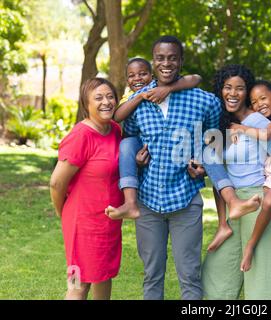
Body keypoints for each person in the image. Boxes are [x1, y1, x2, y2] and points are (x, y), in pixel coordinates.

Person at [122, 36, 259, 300]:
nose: (166, 63)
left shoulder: (204, 101)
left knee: (190, 276)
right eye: (160, 58)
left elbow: (212, 140)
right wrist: (137, 163)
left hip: (185, 201)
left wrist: (204, 166)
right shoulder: (139, 101)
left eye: (172, 57)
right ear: (153, 61)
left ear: (181, 61)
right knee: (152, 276)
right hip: (148, 202)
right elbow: (130, 138)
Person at [200, 64, 271, 299]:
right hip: (235, 205)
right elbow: (219, 170)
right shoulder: (223, 123)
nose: (233, 93)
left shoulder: (257, 121)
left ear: (247, 93)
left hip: (260, 200)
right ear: (220, 90)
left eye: (240, 88)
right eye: (227, 87)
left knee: (261, 284)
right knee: (216, 274)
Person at [49, 78, 123, 300]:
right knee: (78, 284)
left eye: (110, 96)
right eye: (98, 98)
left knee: (103, 276)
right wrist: (63, 213)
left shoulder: (115, 130)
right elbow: (56, 182)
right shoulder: (81, 135)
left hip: (108, 220)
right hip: (82, 223)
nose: (106, 102)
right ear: (86, 104)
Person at [105, 57, 203, 220]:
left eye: (142, 74)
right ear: (127, 80)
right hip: (138, 143)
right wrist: (140, 96)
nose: (137, 78)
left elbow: (196, 78)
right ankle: (130, 202)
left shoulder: (163, 89)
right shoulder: (129, 97)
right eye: (131, 75)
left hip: (165, 147)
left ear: (152, 76)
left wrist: (169, 88)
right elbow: (117, 116)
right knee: (127, 144)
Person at [224, 79, 271, 271]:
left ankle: (251, 245)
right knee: (268, 202)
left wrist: (240, 128)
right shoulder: (266, 119)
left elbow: (266, 135)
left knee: (269, 201)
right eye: (254, 102)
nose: (259, 105)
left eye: (263, 98)